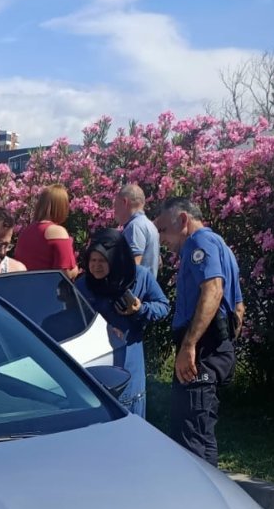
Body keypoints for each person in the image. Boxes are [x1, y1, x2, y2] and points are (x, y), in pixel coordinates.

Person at [154, 196, 243, 465]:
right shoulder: (221, 246)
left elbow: (213, 289)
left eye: (163, 230)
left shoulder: (198, 242)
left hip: (200, 351)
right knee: (198, 431)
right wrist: (223, 344)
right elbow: (239, 308)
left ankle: (201, 504)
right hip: (214, 348)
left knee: (193, 438)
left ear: (183, 220)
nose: (162, 239)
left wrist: (191, 345)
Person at [74, 228, 169, 417]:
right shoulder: (84, 285)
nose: (96, 266)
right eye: (92, 260)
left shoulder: (139, 277)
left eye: (102, 260)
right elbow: (73, 317)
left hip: (129, 358)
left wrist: (140, 310)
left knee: (129, 413)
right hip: (95, 360)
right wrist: (101, 327)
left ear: (115, 260)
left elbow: (163, 306)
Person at [12, 184, 79, 276]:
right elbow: (65, 273)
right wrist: (76, 270)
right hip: (48, 288)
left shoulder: (26, 231)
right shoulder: (57, 232)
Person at [114, 182, 160, 278]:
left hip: (136, 291)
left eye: (116, 206)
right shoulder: (149, 225)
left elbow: (135, 264)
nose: (115, 211)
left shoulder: (134, 226)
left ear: (124, 202)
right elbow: (158, 262)